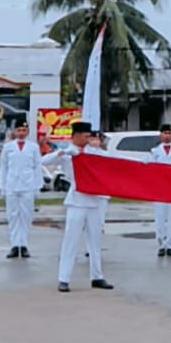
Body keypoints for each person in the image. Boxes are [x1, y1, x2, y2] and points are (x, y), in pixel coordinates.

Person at [40, 122, 114, 293]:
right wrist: (63, 152)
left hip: (94, 201)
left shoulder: (93, 153)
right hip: (77, 200)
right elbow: (43, 161)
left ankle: (97, 276)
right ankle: (64, 278)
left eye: (90, 136)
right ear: (76, 136)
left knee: (95, 241)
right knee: (70, 241)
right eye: (86, 136)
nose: (89, 139)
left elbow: (111, 161)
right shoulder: (67, 153)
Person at [0, 118, 43, 258]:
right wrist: (2, 187)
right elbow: (4, 167)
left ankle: (23, 245)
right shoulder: (8, 147)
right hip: (11, 185)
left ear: (27, 131)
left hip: (28, 186)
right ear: (14, 131)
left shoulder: (33, 147)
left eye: (24, 130)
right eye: (19, 130)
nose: (21, 133)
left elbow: (37, 167)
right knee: (12, 216)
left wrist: (37, 187)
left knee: (26, 216)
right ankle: (14, 245)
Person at [148, 124, 171, 257]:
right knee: (159, 218)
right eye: (164, 133)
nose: (167, 135)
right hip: (159, 188)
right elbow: (151, 169)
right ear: (160, 135)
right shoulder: (154, 151)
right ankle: (161, 244)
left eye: (169, 133)